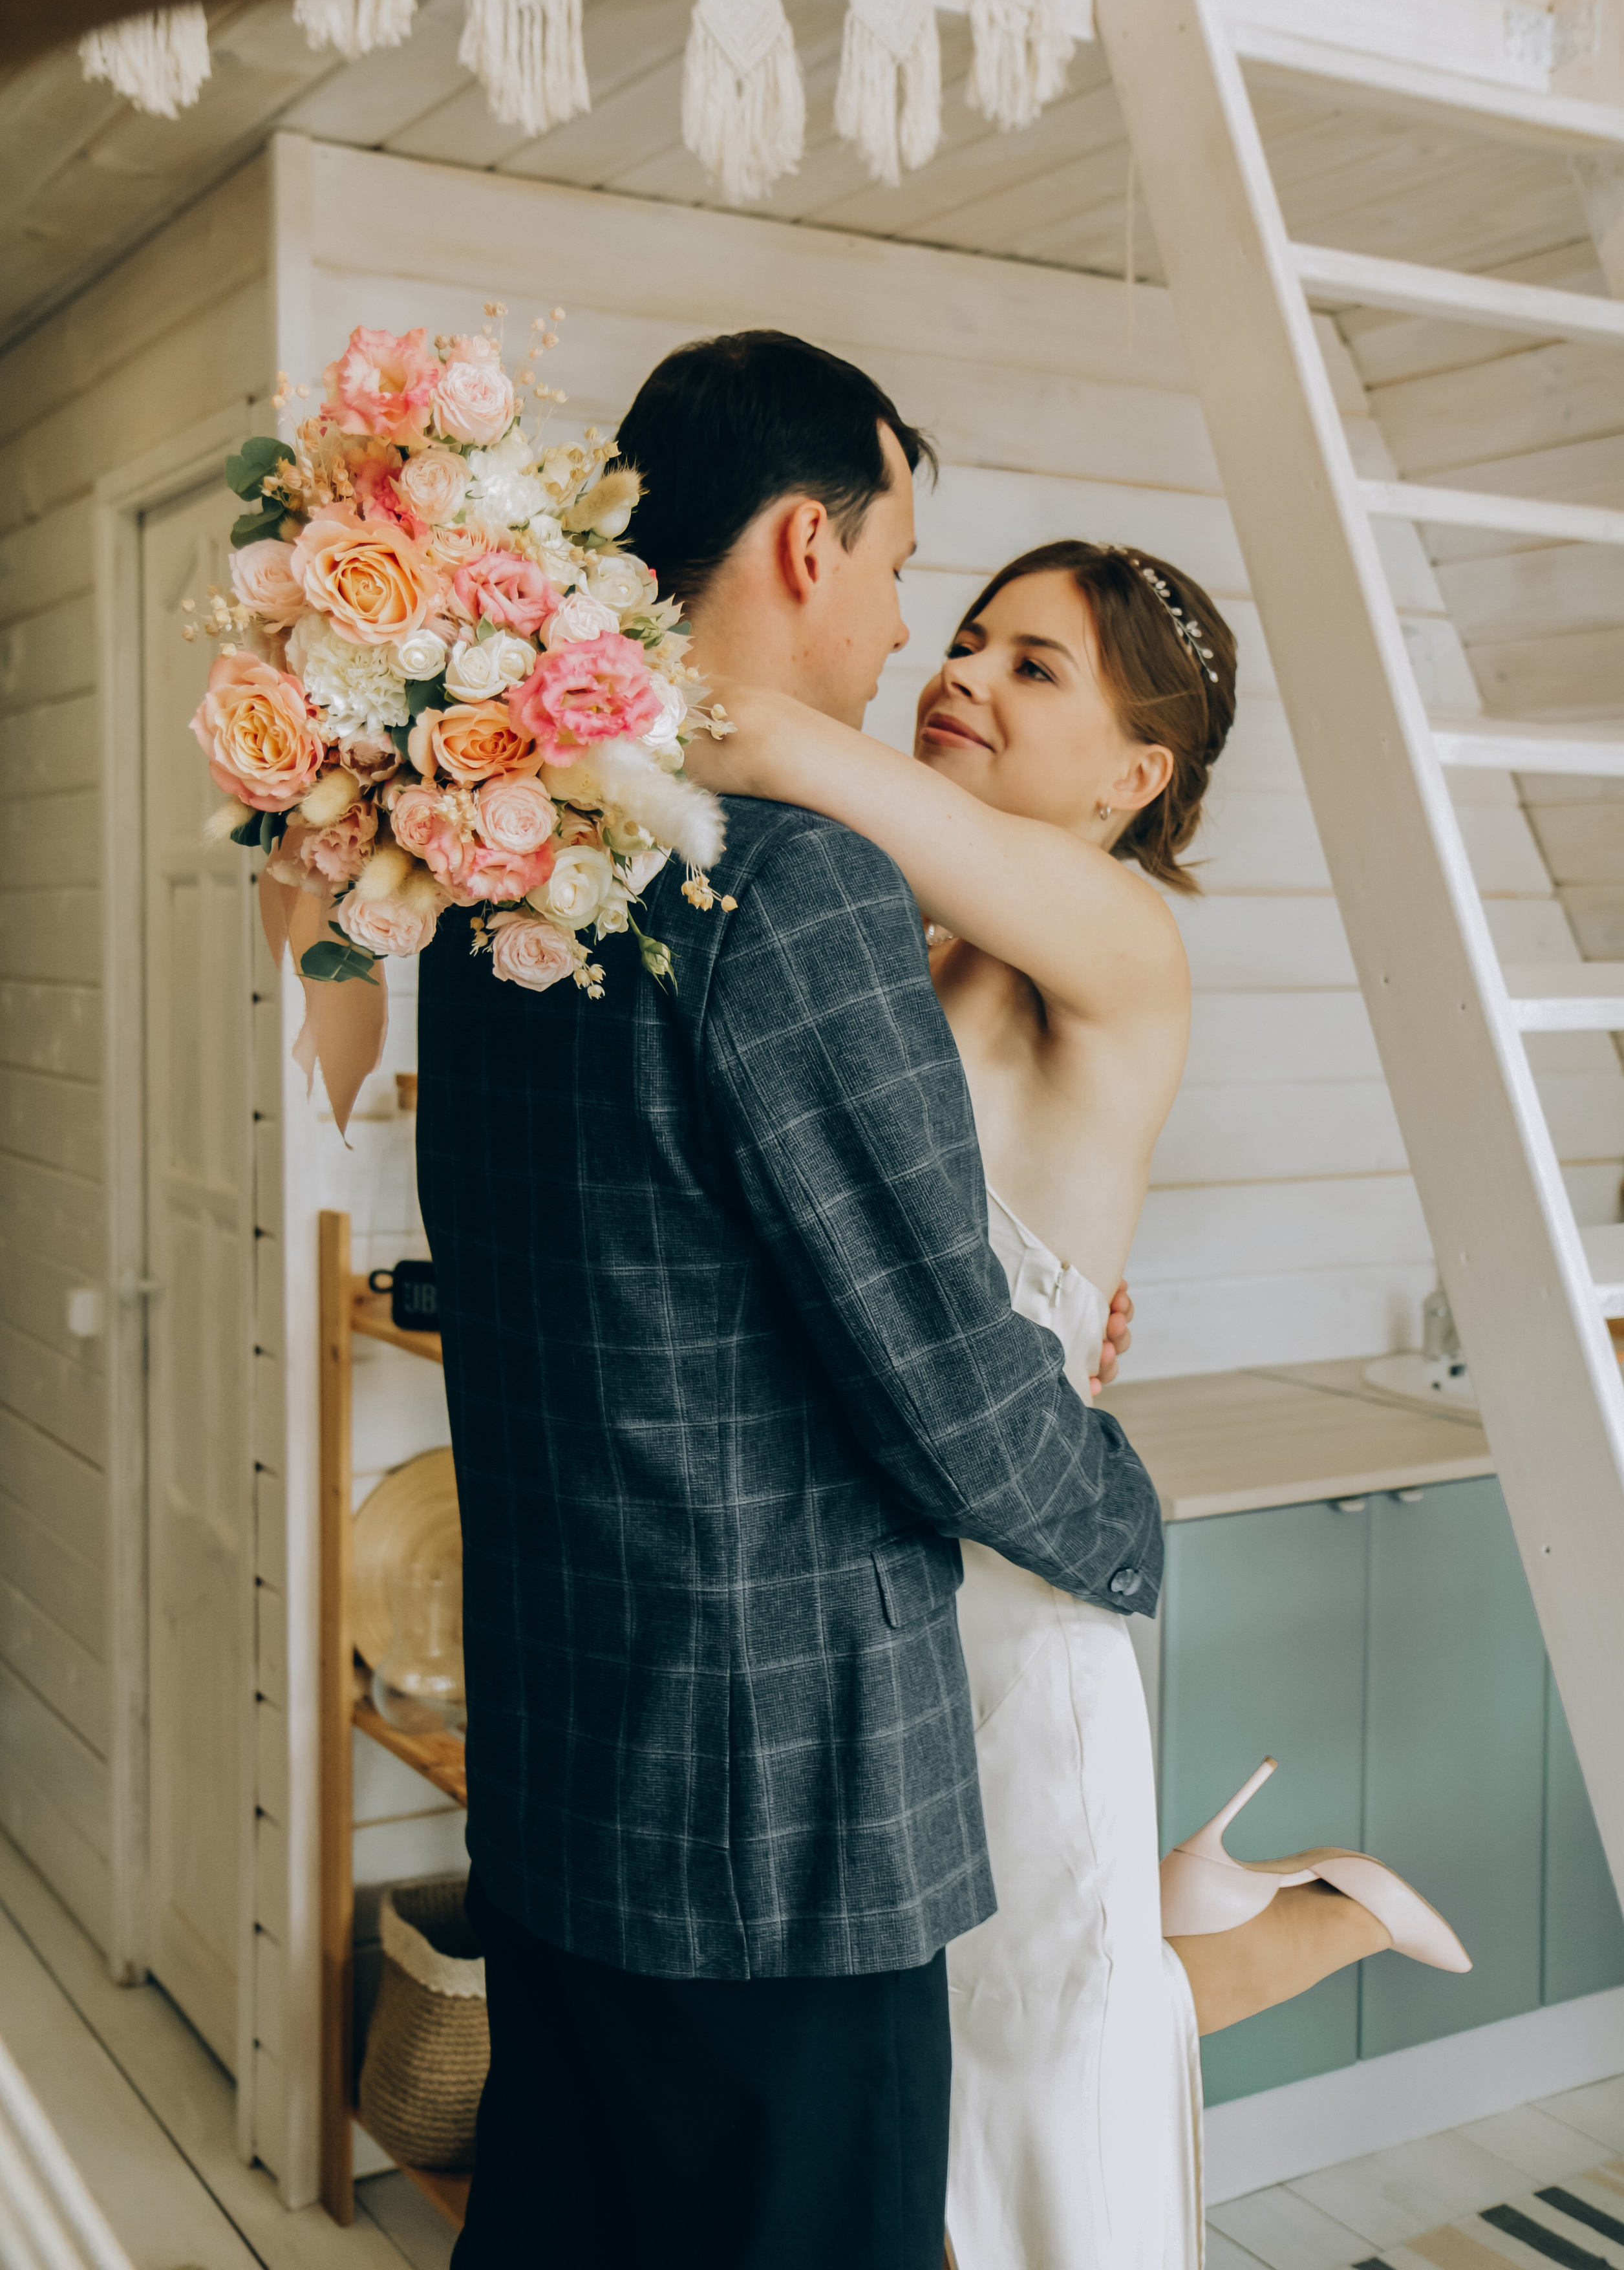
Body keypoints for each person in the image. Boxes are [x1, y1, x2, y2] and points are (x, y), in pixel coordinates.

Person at [416, 329, 1164, 2270]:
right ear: (811, 550)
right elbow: (941, 1380)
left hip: (569, 1765)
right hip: (776, 1811)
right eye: (912, 575)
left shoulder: (498, 849)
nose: (914, 634)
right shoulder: (789, 878)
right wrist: (1121, 1512)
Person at [690, 529, 1472, 2266]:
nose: (956, 672)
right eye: (962, 638)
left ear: (1136, 776)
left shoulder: (1123, 935)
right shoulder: (882, 933)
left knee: (1041, 2081)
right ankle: (1224, 1925)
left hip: (1009, 1601)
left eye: (1027, 665)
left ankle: (1239, 1929)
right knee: (936, 2067)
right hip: (855, 1586)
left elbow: (776, 742)